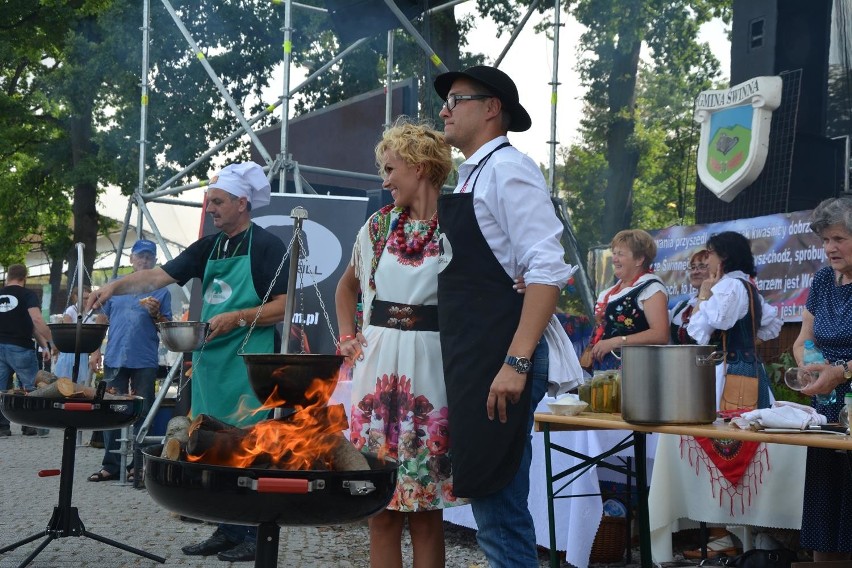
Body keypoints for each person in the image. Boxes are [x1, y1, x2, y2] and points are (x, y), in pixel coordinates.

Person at [85, 161, 287, 563]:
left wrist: (237, 316)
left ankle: (252, 531)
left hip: (248, 365)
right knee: (209, 446)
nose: (209, 208)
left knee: (247, 448)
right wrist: (113, 286)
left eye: (217, 201)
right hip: (210, 363)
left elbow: (283, 306)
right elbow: (155, 278)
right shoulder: (209, 246)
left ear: (242, 203)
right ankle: (226, 529)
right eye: (208, 201)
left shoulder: (267, 246)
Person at [433, 65, 578, 567]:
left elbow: (546, 268)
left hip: (501, 357)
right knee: (492, 507)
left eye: (456, 99)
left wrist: (515, 364)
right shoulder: (473, 172)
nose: (444, 110)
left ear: (492, 109)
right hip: (477, 355)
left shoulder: (509, 169)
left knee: (501, 513)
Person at [336, 118, 462, 568]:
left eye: (391, 170)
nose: (384, 180)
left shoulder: (459, 225)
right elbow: (346, 288)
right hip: (377, 365)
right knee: (380, 508)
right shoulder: (377, 227)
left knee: (426, 512)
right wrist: (349, 337)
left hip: (431, 368)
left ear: (421, 167)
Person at [792, 197, 852, 562]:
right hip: (826, 413)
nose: (829, 248)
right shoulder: (822, 280)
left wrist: (841, 371)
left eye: (838, 238)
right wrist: (811, 366)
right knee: (826, 518)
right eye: (824, 240)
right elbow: (804, 340)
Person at [87, 240, 172, 483]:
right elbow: (101, 321)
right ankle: (111, 465)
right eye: (140, 256)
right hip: (114, 355)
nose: (144, 260)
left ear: (154, 261)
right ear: (131, 259)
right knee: (112, 409)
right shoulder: (115, 288)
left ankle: (138, 464)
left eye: (149, 257)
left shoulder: (161, 291)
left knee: (143, 412)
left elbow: (166, 329)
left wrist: (157, 314)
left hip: (144, 357)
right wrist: (95, 351)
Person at [687, 231, 781, 408]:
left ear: (724, 256)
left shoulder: (730, 285)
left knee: (727, 426)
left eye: (710, 254)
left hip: (730, 371)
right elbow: (772, 323)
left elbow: (701, 330)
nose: (707, 261)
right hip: (750, 366)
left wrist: (704, 296)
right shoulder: (746, 285)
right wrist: (745, 342)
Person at [588, 229, 670, 370]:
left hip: (636, 369)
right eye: (614, 253)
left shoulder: (650, 288)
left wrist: (615, 342)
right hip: (605, 370)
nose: (614, 259)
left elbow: (660, 334)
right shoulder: (609, 292)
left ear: (639, 259)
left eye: (620, 254)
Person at [0, 264, 53, 436]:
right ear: (25, 278)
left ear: (8, 277)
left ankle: (2, 427)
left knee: (1, 389)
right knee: (32, 387)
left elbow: (30, 326)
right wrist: (52, 342)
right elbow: (36, 320)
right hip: (20, 347)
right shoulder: (27, 295)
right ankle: (31, 424)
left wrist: (43, 345)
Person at [53, 285, 93, 384]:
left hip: (82, 352)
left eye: (89, 298)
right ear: (76, 297)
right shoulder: (70, 311)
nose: (87, 300)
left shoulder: (87, 312)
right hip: (70, 353)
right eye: (85, 298)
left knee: (79, 383)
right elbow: (66, 335)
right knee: (68, 382)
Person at [669, 250, 710, 345]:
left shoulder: (719, 303)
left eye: (702, 267)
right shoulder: (681, 307)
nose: (695, 272)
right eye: (692, 267)